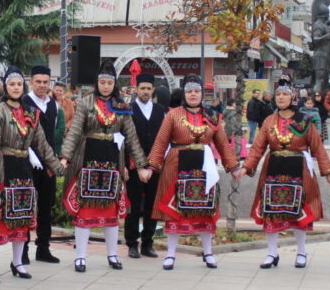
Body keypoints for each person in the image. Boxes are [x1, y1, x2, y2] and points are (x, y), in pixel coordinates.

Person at [59, 60, 149, 273]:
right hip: (87, 162)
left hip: (112, 165)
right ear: (96, 83)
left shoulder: (122, 106)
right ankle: (80, 256)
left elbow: (132, 137)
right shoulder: (85, 103)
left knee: (111, 213)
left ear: (114, 83)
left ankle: (113, 254)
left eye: (109, 82)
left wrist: (142, 166)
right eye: (102, 82)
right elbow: (74, 132)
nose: (106, 86)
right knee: (84, 212)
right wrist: (64, 157)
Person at [147, 74, 244, 270]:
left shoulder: (213, 116)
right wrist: (151, 166)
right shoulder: (173, 115)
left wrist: (233, 167)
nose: (193, 94)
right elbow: (160, 142)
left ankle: (208, 252)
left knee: (205, 211)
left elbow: (223, 143)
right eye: (189, 91)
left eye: (197, 91)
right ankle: (171, 254)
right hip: (176, 166)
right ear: (184, 93)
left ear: (202, 94)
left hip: (204, 167)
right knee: (174, 211)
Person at [0, 67, 65, 283]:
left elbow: (42, 145)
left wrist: (59, 167)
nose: (16, 88)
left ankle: (17, 262)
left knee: (22, 219)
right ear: (6, 88)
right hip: (4, 168)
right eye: (12, 84)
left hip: (24, 170)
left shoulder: (31, 113)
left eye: (19, 84)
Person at [243, 77, 330, 270]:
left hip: (298, 169)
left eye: (285, 94)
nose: (281, 97)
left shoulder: (305, 120)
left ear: (293, 97)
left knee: (299, 211)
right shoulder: (269, 120)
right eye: (278, 94)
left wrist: (328, 172)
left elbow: (317, 147)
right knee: (270, 211)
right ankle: (271, 253)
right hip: (273, 168)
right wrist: (246, 167)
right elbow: (258, 147)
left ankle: (301, 252)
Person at [23, 65, 66, 263]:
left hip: (48, 161)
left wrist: (56, 157)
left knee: (45, 206)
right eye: (38, 81)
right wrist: (29, 152)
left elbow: (56, 133)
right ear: (31, 82)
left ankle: (43, 248)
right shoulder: (24, 102)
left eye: (45, 82)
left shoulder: (54, 104)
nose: (41, 85)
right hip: (28, 160)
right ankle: (21, 250)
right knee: (25, 206)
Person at [123, 73, 167, 259]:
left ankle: (147, 243)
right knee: (133, 206)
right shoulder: (128, 109)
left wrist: (156, 164)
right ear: (136, 89)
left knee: (151, 205)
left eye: (149, 88)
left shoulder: (160, 110)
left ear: (153, 90)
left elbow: (165, 139)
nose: (146, 92)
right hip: (133, 166)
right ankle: (132, 244)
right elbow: (124, 140)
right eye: (142, 88)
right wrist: (126, 165)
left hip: (155, 166)